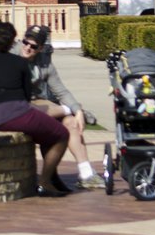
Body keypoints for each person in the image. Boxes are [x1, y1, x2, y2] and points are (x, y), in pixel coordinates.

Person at [0, 21, 70, 197]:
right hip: (16, 115)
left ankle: (51, 178)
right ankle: (45, 181)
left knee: (46, 130)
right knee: (61, 133)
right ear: (13, 42)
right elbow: (26, 98)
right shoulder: (20, 64)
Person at [19, 24, 100, 191]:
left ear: (40, 48)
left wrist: (77, 111)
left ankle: (86, 174)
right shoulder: (11, 55)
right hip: (16, 104)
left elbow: (60, 90)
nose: (27, 48)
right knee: (47, 113)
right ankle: (70, 110)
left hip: (37, 103)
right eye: (25, 42)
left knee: (71, 122)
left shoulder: (44, 62)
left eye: (33, 46)